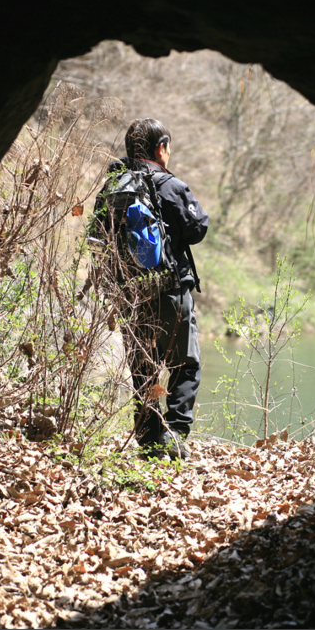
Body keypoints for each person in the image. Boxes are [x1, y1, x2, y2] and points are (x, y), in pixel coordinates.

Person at [105, 118, 209, 460]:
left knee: (143, 367)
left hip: (130, 294)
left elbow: (98, 237)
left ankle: (150, 443)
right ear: (161, 147)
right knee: (185, 364)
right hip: (171, 292)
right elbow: (197, 228)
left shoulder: (113, 186)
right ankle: (177, 437)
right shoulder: (172, 185)